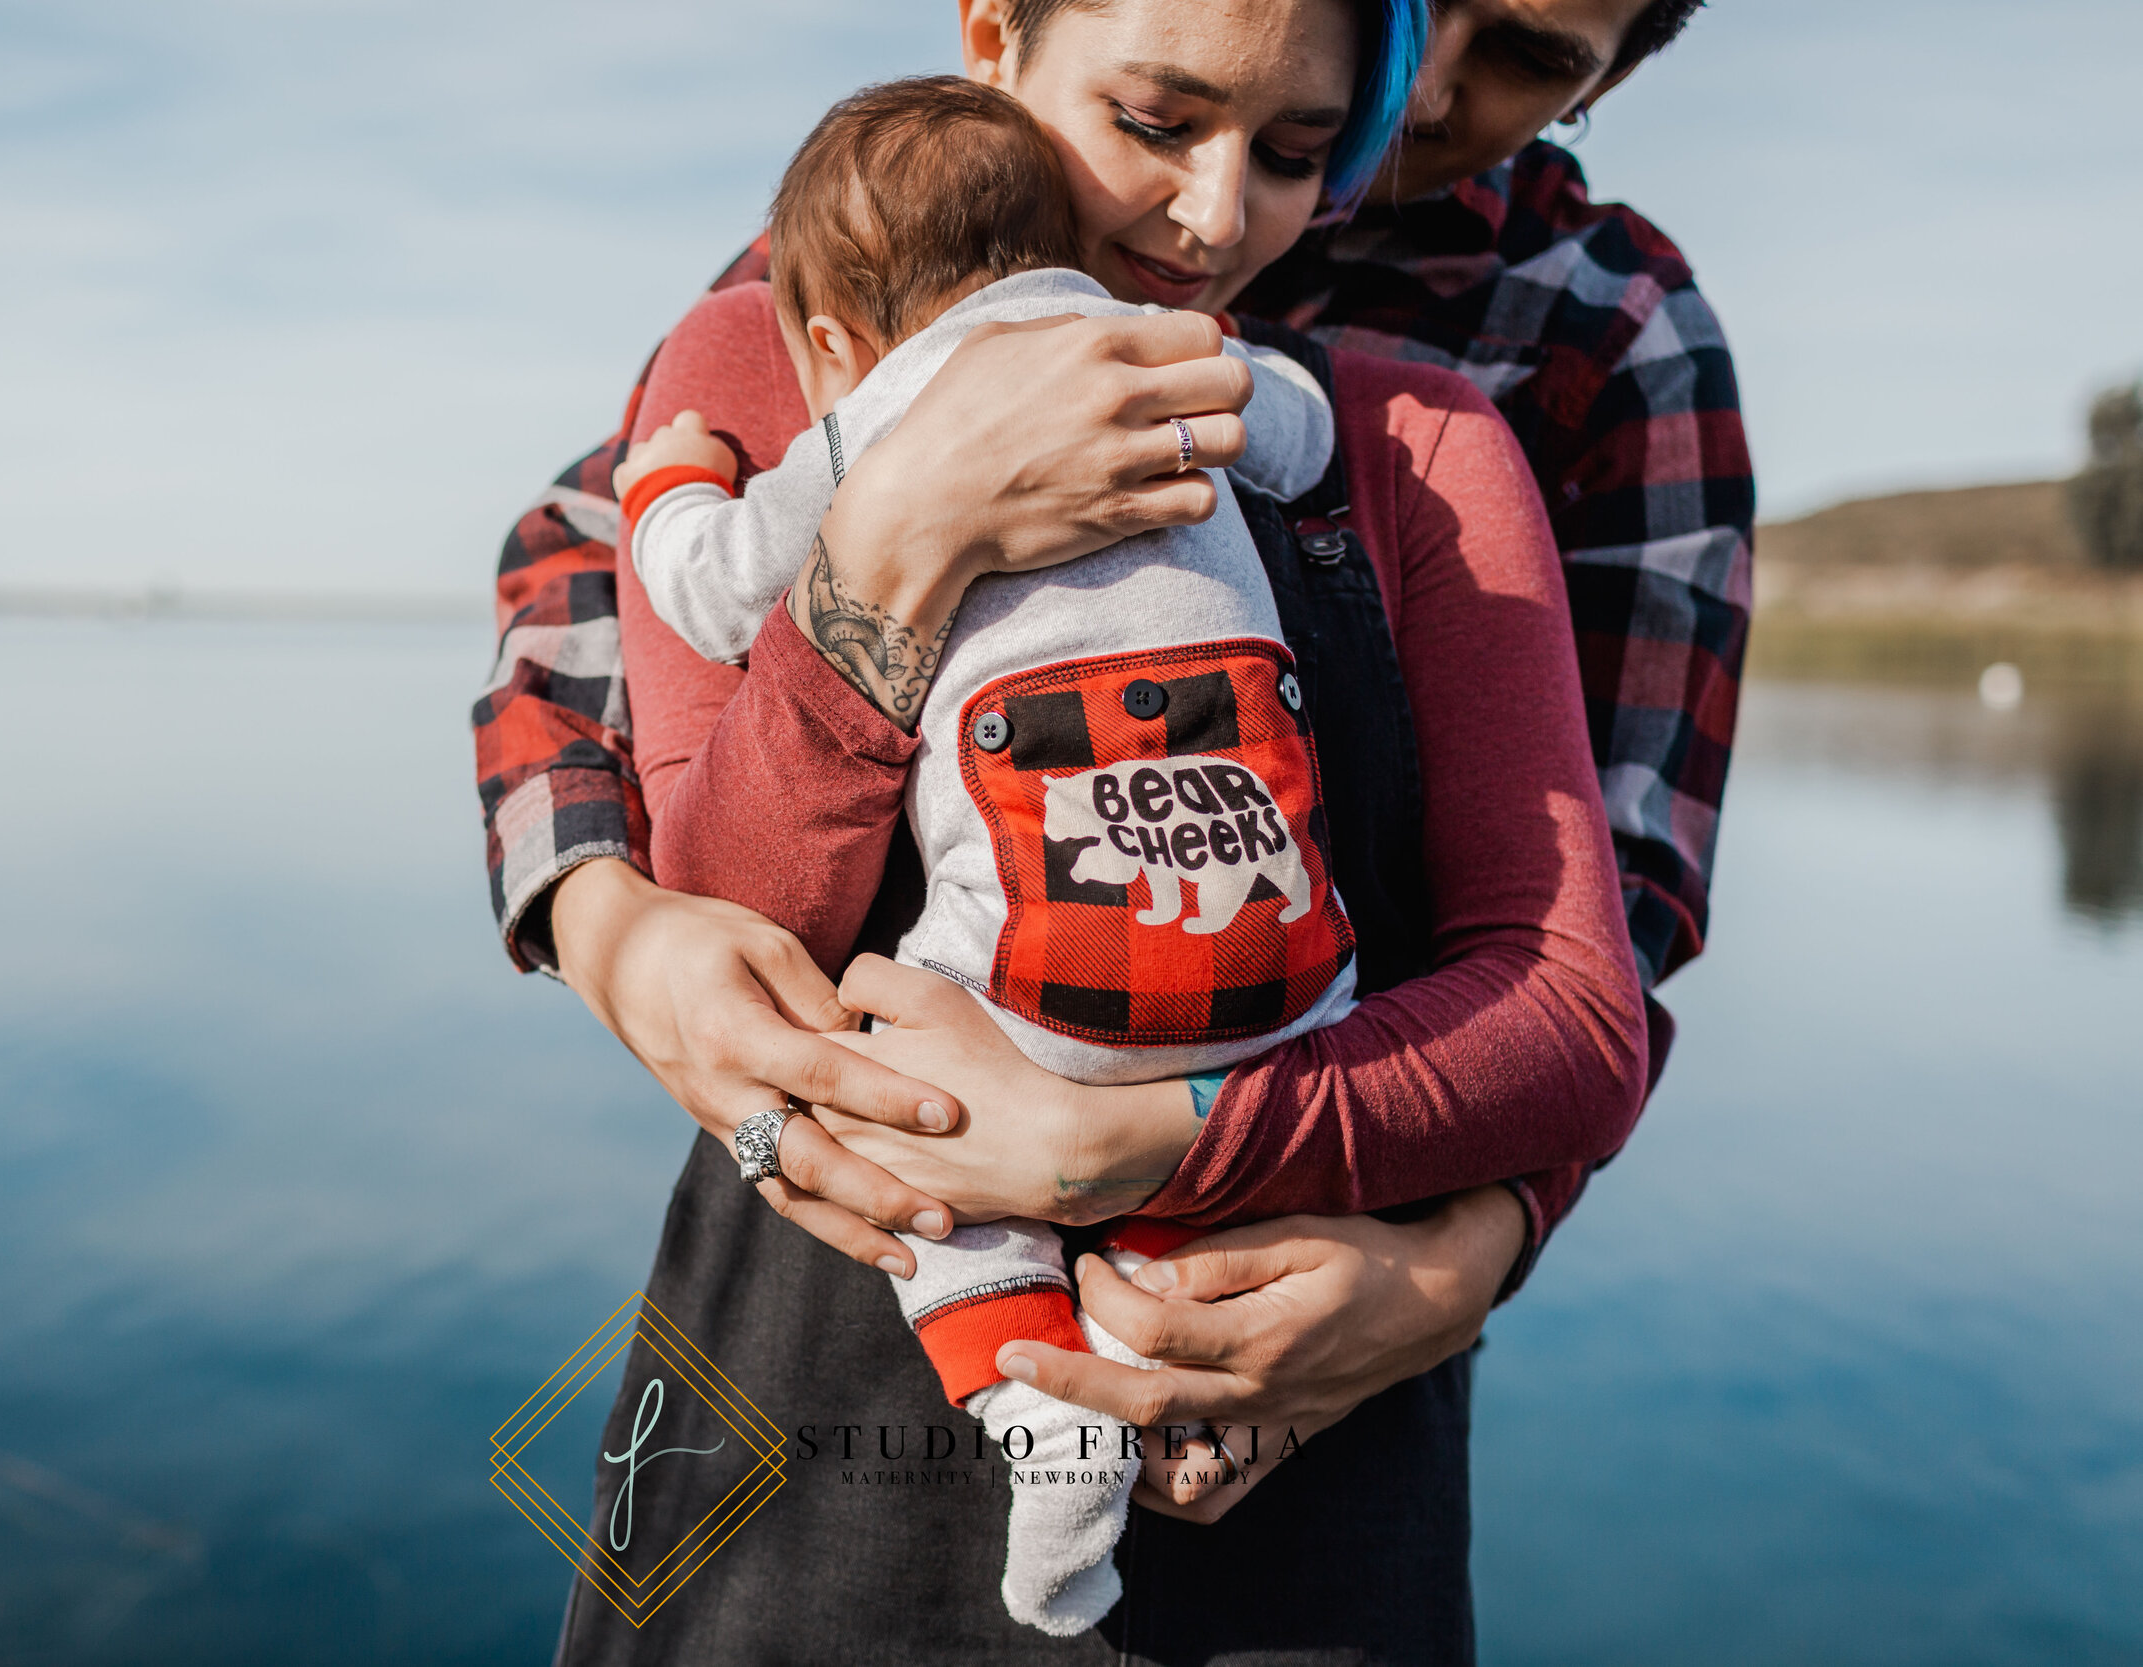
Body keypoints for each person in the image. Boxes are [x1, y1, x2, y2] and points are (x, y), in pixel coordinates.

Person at [472, 0, 1750, 1656]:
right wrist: (603, 914)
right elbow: (608, 596)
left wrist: (1454, 1256)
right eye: (1155, 123)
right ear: (994, 41)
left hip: (1297, 1382)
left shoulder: (1483, 396)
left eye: (1305, 145)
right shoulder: (829, 286)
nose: (1225, 212)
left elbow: (1591, 967)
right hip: (808, 1410)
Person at [615, 75, 1372, 1634]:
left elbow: (704, 590)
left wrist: (667, 483)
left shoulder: (880, 405)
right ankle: (1159, 1313)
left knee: (902, 1106)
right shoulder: (1180, 353)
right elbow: (1302, 437)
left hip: (1046, 977)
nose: (1218, 209)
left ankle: (1040, 1409)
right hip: (1299, 970)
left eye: (1292, 154)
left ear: (825, 344)